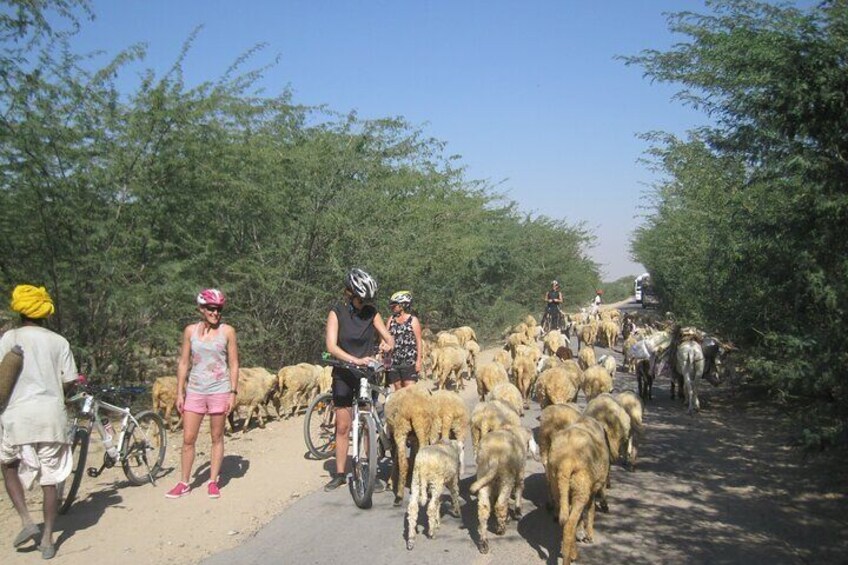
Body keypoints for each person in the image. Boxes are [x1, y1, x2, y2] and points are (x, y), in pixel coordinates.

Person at [0, 285, 77, 560]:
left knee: (8, 466)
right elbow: (69, 382)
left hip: (15, 418)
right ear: (46, 311)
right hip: (51, 418)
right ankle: (47, 539)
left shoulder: (9, 338)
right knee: (51, 478)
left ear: (19, 309)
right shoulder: (59, 342)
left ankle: (26, 520)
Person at [323, 268, 394, 491]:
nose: (364, 303)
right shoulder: (337, 312)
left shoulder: (372, 313)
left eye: (367, 300)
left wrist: (386, 345)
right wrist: (354, 359)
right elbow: (331, 345)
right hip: (344, 371)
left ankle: (366, 467)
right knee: (343, 425)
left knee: (367, 422)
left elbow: (388, 337)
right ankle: (341, 473)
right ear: (350, 294)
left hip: (366, 374)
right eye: (361, 299)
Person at [166, 288, 239, 500]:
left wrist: (233, 392)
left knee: (217, 436)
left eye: (219, 309)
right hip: (196, 390)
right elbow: (183, 362)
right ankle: (184, 481)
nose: (215, 313)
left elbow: (233, 364)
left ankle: (213, 481)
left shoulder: (228, 332)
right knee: (188, 438)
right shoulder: (190, 331)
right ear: (201, 309)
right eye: (211, 309)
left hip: (219, 389)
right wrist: (180, 392)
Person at [384, 291, 422, 391]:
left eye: (394, 305)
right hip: (394, 361)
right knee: (398, 389)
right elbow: (385, 339)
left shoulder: (413, 320)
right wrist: (386, 362)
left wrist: (418, 361)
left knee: (410, 390)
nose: (392, 307)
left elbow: (418, 341)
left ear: (402, 305)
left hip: (409, 361)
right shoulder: (390, 320)